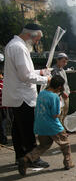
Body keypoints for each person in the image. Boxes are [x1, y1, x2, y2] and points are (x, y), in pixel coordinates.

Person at [2, 24, 51, 168]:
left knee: (18, 128)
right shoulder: (19, 48)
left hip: (17, 95)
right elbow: (25, 76)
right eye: (37, 40)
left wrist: (41, 72)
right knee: (28, 129)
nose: (37, 43)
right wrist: (46, 79)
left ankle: (20, 156)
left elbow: (25, 71)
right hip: (23, 96)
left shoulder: (14, 45)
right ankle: (32, 158)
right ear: (31, 35)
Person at [17, 75, 74, 176]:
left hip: (40, 126)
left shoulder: (42, 93)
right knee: (65, 144)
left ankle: (27, 159)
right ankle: (68, 162)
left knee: (43, 146)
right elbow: (55, 115)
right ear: (59, 87)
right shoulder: (55, 97)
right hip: (53, 127)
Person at [51, 53, 70, 129]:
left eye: (66, 62)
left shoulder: (63, 70)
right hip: (60, 96)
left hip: (66, 95)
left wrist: (68, 91)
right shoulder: (54, 70)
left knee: (65, 113)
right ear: (57, 61)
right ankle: (59, 131)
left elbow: (65, 83)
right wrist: (62, 93)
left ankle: (62, 129)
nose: (65, 63)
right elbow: (56, 85)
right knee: (60, 114)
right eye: (63, 61)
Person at [0, 71, 9, 144]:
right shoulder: (4, 83)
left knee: (3, 124)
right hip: (3, 107)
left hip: (3, 107)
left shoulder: (4, 83)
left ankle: (3, 139)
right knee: (3, 124)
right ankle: (3, 139)